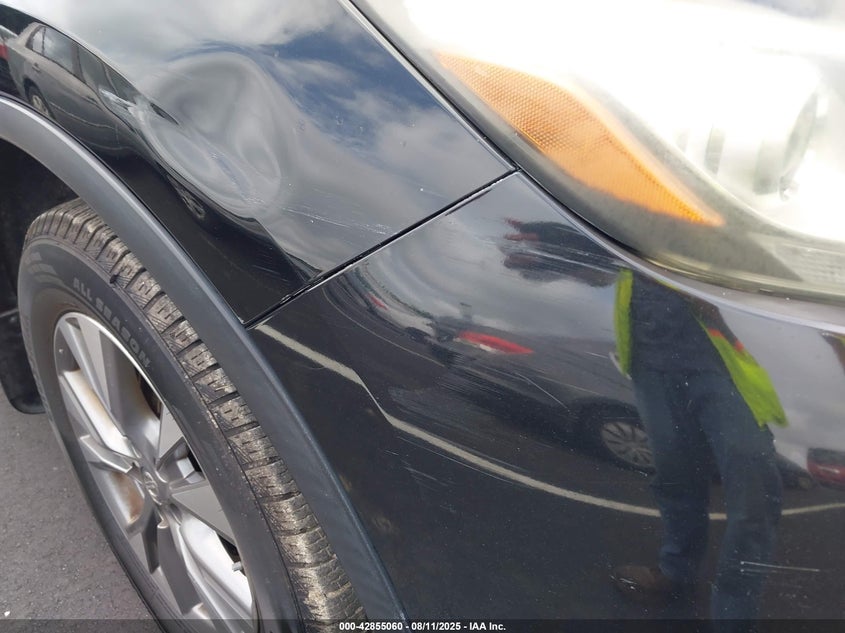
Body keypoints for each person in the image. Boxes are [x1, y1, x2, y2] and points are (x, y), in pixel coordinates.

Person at [611, 269, 785, 624]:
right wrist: (547, 243)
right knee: (676, 479)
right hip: (651, 361)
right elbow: (604, 253)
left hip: (725, 364)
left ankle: (734, 619)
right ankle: (676, 572)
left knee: (753, 498)